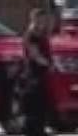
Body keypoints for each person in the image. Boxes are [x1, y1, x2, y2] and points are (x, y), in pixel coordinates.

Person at [20, 8, 54, 136]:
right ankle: (32, 129)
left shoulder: (42, 34)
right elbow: (35, 54)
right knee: (35, 103)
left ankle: (39, 128)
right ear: (34, 19)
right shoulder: (31, 35)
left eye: (44, 19)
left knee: (42, 103)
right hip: (33, 74)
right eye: (41, 19)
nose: (43, 22)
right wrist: (47, 63)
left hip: (42, 73)